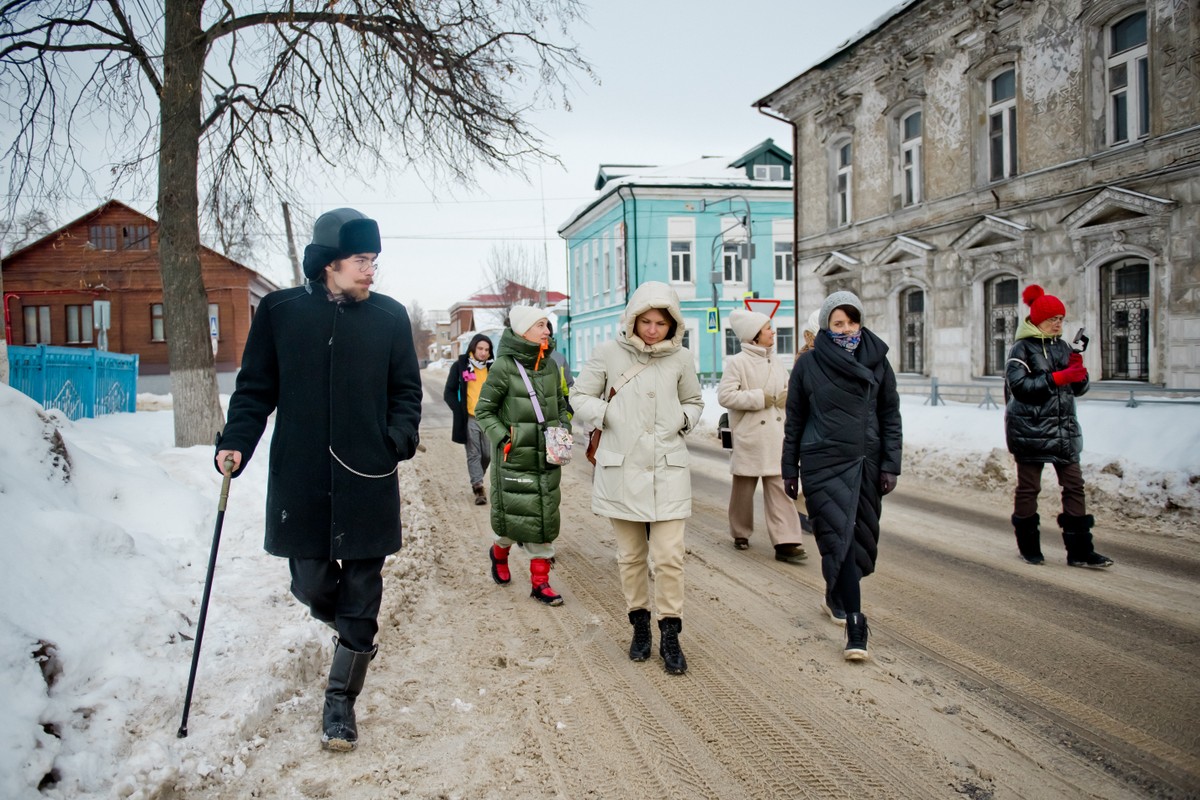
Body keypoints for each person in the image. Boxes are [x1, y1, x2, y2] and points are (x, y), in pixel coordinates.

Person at [214, 208, 422, 751]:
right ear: (330, 262)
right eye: (360, 260)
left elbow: (406, 390)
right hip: (302, 475)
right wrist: (236, 440)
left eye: (374, 260)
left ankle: (340, 702)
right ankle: (357, 636)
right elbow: (255, 388)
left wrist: (398, 438)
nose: (370, 270)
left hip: (367, 474)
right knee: (309, 583)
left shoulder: (390, 317)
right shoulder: (281, 312)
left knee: (361, 588)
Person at [573, 282, 704, 675]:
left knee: (669, 557)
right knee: (631, 556)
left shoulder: (681, 358)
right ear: (633, 319)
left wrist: (683, 420)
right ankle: (640, 626)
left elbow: (694, 401)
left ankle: (670, 633)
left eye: (660, 323)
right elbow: (579, 396)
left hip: (667, 468)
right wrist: (607, 415)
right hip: (622, 468)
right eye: (645, 321)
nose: (651, 329)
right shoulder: (608, 353)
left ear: (672, 324)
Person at [782, 291, 902, 662]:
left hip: (865, 462)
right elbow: (795, 421)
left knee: (858, 542)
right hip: (823, 462)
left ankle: (837, 593)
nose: (846, 328)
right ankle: (856, 621)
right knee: (841, 541)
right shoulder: (809, 365)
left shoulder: (879, 362)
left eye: (852, 321)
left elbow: (891, 417)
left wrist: (890, 464)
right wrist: (790, 469)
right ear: (825, 326)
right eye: (838, 322)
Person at [1005, 284, 1113, 569]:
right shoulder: (1021, 348)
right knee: (1029, 488)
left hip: (1064, 431)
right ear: (1037, 319)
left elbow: (1077, 389)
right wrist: (1058, 378)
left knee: (1075, 486)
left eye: (1061, 319)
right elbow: (1019, 387)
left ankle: (1080, 551)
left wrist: (1077, 367)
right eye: (1053, 318)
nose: (1058, 323)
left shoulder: (1064, 347)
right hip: (1030, 430)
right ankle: (1029, 546)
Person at [473, 305, 571, 606]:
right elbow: (484, 411)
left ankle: (540, 584)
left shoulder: (551, 366)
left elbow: (561, 405)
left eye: (547, 325)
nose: (546, 331)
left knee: (543, 519)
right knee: (514, 521)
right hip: (515, 457)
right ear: (522, 331)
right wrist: (505, 438)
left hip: (547, 457)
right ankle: (498, 553)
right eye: (540, 325)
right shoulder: (504, 367)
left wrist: (563, 429)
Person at [717, 308, 807, 562]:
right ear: (754, 336)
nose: (773, 332)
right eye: (768, 329)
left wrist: (787, 397)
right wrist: (759, 398)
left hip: (776, 435)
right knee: (743, 489)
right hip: (749, 435)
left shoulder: (777, 362)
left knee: (780, 489)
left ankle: (786, 541)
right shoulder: (738, 363)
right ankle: (740, 532)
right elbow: (725, 396)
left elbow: (789, 388)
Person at [443, 333, 495, 505]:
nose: (483, 353)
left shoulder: (492, 368)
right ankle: (478, 487)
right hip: (470, 417)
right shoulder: (461, 366)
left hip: (488, 418)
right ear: (473, 348)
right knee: (474, 453)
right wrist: (459, 410)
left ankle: (477, 476)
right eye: (480, 348)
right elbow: (449, 392)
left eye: (487, 350)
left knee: (487, 455)